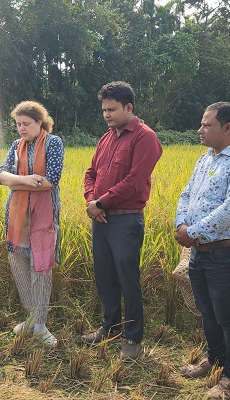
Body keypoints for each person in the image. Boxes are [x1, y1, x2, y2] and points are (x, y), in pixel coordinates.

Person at [175, 102, 230, 399]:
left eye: (206, 125)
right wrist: (181, 224)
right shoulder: (207, 159)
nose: (200, 130)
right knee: (208, 312)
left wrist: (193, 232)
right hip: (202, 252)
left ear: (228, 128)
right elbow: (187, 193)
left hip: (229, 253)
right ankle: (215, 360)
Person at [81, 81, 162, 362]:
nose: (106, 115)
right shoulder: (106, 138)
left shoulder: (144, 137)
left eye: (112, 109)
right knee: (105, 276)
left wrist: (101, 203)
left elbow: (135, 180)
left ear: (129, 107)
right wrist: (93, 202)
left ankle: (133, 337)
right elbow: (90, 173)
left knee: (128, 279)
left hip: (126, 220)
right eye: (104, 110)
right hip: (101, 219)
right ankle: (110, 326)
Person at [0, 101, 64, 347]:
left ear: (39, 123)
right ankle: (32, 318)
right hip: (17, 215)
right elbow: (0, 176)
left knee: (41, 268)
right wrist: (24, 180)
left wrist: (15, 183)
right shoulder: (16, 146)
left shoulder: (54, 143)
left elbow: (50, 181)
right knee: (20, 264)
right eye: (18, 124)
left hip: (44, 215)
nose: (21, 128)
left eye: (26, 124)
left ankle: (40, 324)